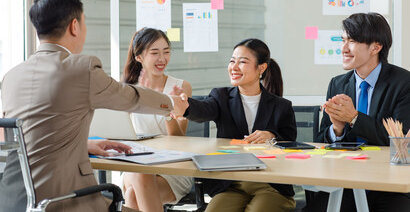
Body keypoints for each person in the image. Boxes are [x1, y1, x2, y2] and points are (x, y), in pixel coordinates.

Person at [0, 0, 188, 212]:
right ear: (75, 26)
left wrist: (85, 145)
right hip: (64, 201)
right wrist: (171, 103)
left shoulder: (12, 76)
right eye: (84, 22)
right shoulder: (80, 68)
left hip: (13, 202)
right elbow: (128, 97)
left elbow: (28, 137)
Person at [304, 12, 410, 212]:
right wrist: (337, 127)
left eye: (352, 41)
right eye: (343, 40)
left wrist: (353, 117)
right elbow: (320, 141)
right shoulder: (338, 83)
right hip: (344, 183)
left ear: (376, 47)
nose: (344, 48)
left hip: (388, 186)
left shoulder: (403, 83)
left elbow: (400, 142)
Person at [183, 38, 297, 212]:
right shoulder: (220, 96)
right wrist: (184, 105)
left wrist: (271, 136)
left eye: (242, 62)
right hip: (232, 183)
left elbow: (291, 143)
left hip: (270, 184)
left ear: (261, 68)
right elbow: (204, 109)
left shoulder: (282, 106)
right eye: (232, 61)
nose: (234, 67)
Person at [121, 28, 194, 212]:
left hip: (172, 166)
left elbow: (179, 140)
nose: (162, 58)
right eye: (154, 53)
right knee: (141, 174)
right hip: (136, 162)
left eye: (166, 52)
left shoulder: (181, 86)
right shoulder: (128, 90)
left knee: (131, 195)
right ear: (139, 57)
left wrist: (166, 108)